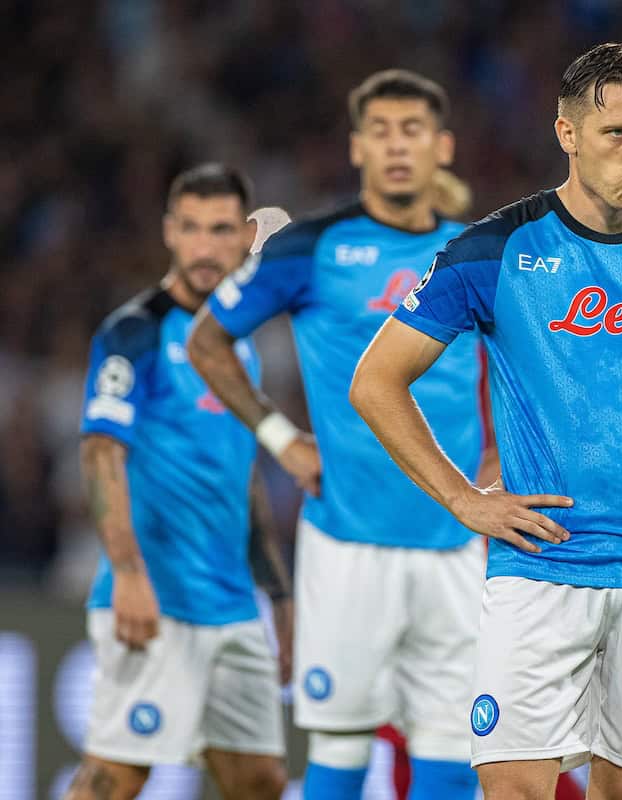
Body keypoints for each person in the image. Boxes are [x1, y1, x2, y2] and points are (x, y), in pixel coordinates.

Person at [349, 42, 622, 800]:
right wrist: (463, 498)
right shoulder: (493, 250)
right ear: (567, 134)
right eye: (616, 135)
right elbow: (377, 381)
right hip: (542, 567)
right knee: (517, 789)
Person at [187, 70, 490, 800]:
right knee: (341, 747)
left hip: (456, 542)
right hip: (347, 540)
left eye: (412, 130)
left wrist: (506, 454)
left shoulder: (481, 250)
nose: (396, 146)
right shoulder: (312, 249)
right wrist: (280, 435)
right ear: (356, 146)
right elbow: (207, 341)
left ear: (441, 146)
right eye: (380, 131)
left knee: (449, 753)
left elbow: (530, 366)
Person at [68, 164, 290, 800]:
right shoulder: (133, 332)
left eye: (219, 230)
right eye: (189, 228)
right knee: (116, 776)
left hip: (233, 606)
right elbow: (100, 453)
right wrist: (130, 573)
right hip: (157, 601)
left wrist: (279, 596)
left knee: (260, 781)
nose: (202, 246)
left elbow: (243, 476)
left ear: (247, 236)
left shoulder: (237, 345)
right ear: (169, 232)